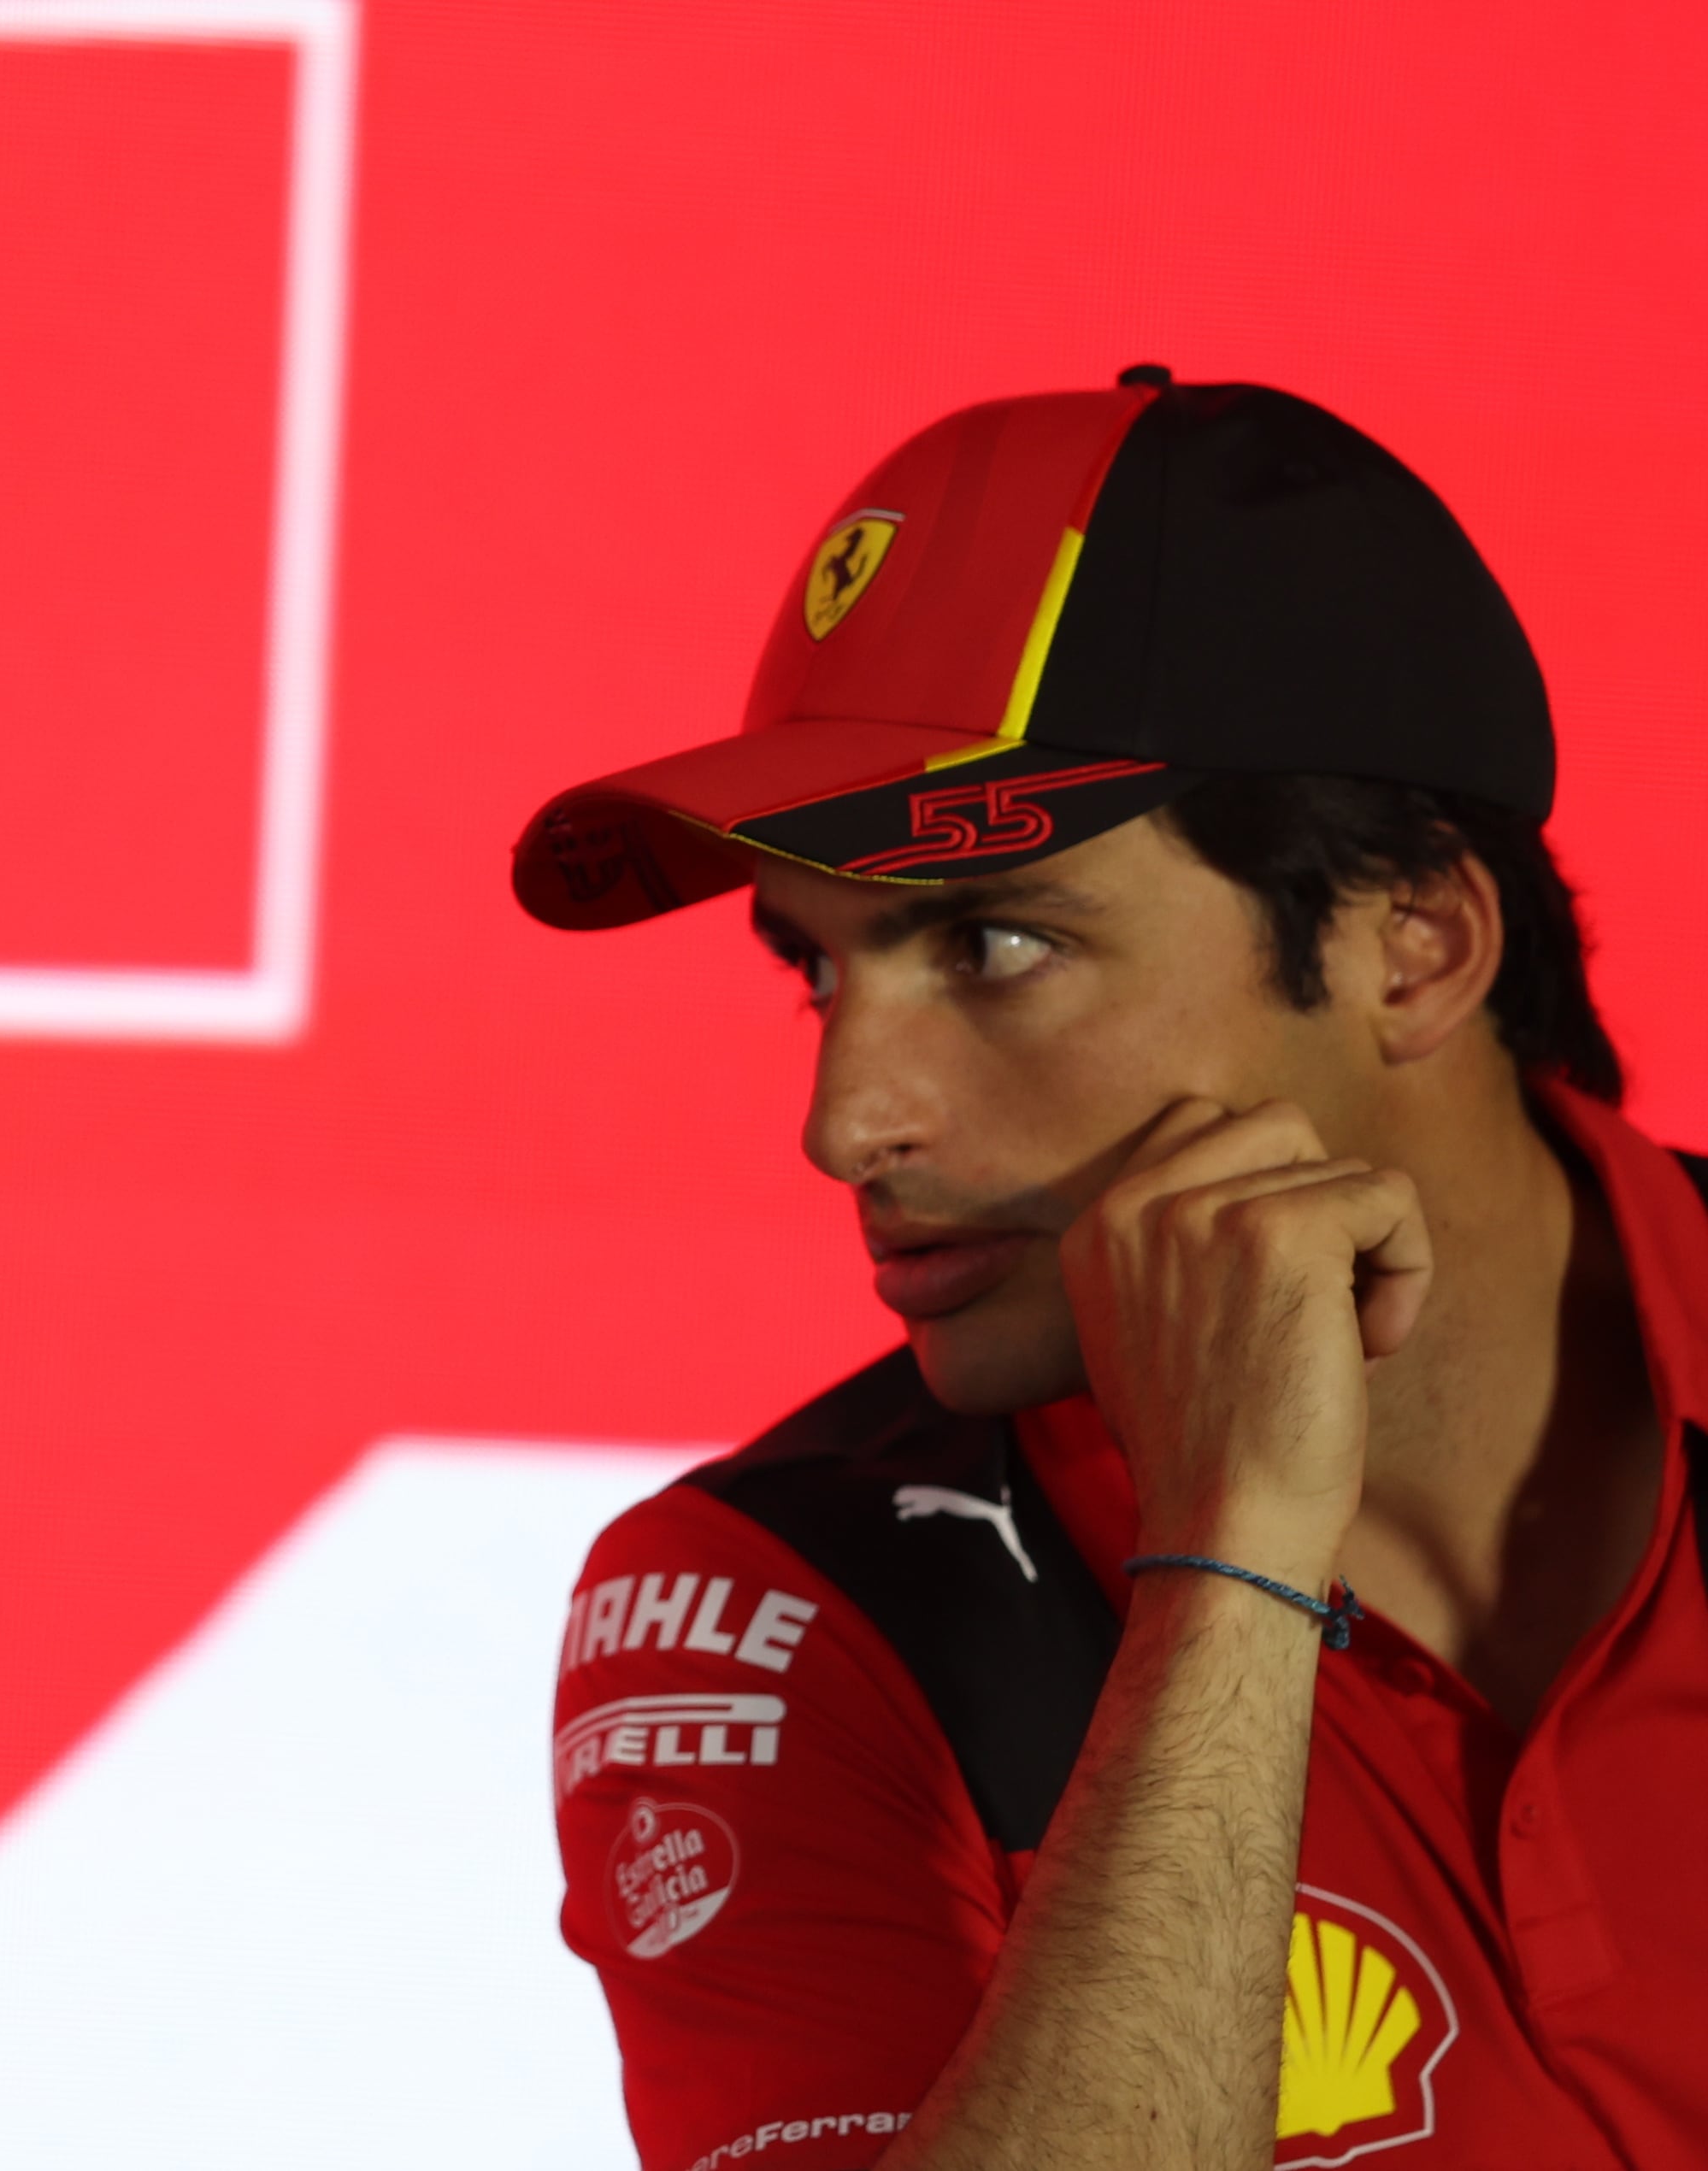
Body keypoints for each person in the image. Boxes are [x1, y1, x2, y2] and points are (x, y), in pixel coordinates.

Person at [514, 367, 1708, 2167]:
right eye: (816, 970)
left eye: (991, 939)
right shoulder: (773, 1612)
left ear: (1414, 947)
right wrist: (1223, 1578)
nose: (847, 1126)